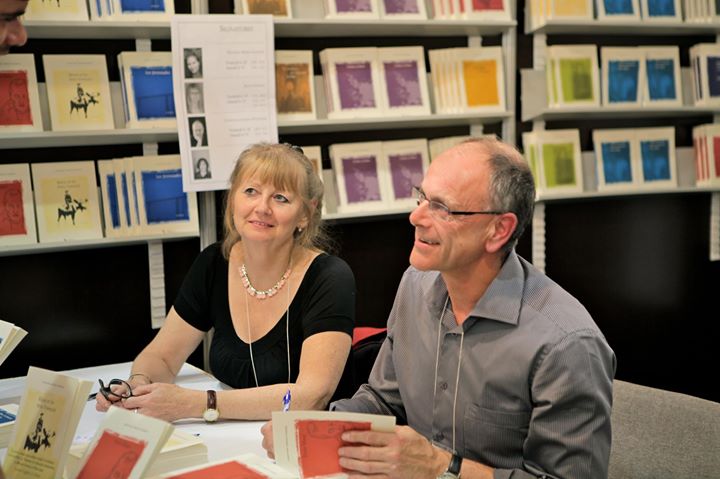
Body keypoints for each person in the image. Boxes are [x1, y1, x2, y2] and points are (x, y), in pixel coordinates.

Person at [262, 137, 616, 478]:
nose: (416, 217)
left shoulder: (567, 345)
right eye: (421, 197)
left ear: (498, 230)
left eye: (442, 207)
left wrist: (440, 468)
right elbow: (383, 400)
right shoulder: (415, 285)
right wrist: (312, 429)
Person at [96, 143, 356, 422]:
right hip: (227, 437)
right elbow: (161, 356)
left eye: (280, 197)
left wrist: (199, 403)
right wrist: (136, 386)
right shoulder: (213, 263)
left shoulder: (329, 277)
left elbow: (311, 396)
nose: (262, 207)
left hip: (299, 442)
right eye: (251, 191)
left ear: (305, 213)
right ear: (233, 199)